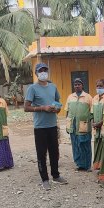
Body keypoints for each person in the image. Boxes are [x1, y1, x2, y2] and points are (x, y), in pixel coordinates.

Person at [24, 62, 67, 190]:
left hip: (52, 125)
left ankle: (56, 175)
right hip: (40, 127)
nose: (43, 72)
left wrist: (57, 109)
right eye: (40, 70)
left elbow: (58, 103)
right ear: (36, 73)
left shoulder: (53, 87)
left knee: (55, 152)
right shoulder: (32, 88)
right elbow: (26, 107)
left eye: (45, 70)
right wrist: (42, 108)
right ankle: (45, 179)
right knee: (41, 153)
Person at [65, 78, 93, 171]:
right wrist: (67, 125)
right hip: (72, 125)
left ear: (82, 85)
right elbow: (67, 111)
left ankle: (87, 165)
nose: (77, 86)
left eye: (79, 84)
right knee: (75, 145)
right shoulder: (70, 97)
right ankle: (79, 164)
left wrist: (91, 122)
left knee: (85, 145)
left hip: (84, 125)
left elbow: (92, 112)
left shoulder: (88, 97)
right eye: (75, 84)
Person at [92, 79, 104, 170]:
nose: (98, 88)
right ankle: (98, 166)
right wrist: (93, 122)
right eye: (97, 86)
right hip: (96, 128)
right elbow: (92, 113)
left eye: (101, 86)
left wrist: (101, 123)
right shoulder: (94, 98)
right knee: (97, 146)